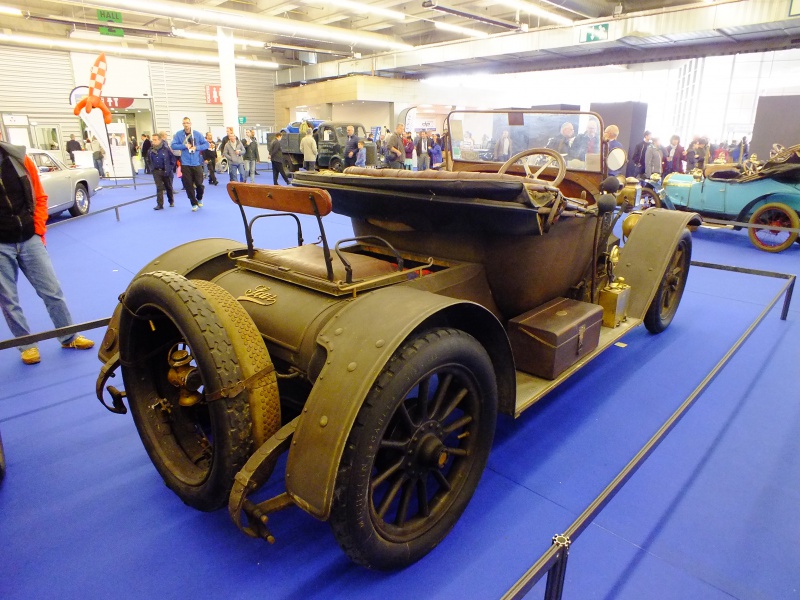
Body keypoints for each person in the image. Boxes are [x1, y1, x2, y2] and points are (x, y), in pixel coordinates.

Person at [0, 132, 94, 365]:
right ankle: (26, 344)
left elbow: (40, 197)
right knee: (8, 299)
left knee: (52, 290)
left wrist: (39, 228)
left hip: (30, 237)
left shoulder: (19, 159)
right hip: (1, 245)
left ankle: (68, 335)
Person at [171, 117, 208, 212]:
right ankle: (193, 203)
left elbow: (206, 144)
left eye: (187, 123)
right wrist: (184, 146)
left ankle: (199, 198)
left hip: (196, 163)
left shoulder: (197, 134)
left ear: (190, 124)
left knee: (199, 184)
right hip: (185, 163)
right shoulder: (179, 134)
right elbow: (173, 145)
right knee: (188, 185)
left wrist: (197, 147)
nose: (186, 125)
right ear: (182, 124)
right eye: (184, 123)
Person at [149, 132, 176, 209]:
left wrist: (169, 168)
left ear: (160, 140)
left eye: (155, 140)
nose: (153, 141)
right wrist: (152, 169)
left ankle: (171, 201)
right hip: (156, 171)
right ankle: (160, 204)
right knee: (159, 187)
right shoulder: (150, 151)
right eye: (152, 140)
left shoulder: (166, 149)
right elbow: (148, 160)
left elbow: (173, 160)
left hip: (166, 171)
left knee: (168, 187)